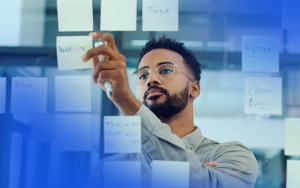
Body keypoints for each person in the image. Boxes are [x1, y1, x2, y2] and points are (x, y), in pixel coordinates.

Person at [82, 32, 258, 188]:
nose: (151, 79)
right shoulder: (108, 169)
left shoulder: (232, 155)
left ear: (194, 89)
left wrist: (124, 100)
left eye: (165, 70)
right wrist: (190, 174)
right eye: (142, 75)